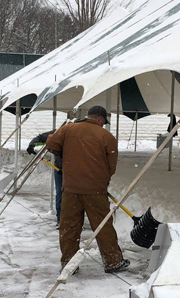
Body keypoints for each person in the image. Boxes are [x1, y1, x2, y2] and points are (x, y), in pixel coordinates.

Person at [46, 106, 129, 274]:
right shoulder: (106, 136)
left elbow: (51, 144)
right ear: (99, 119)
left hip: (70, 188)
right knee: (103, 226)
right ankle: (113, 261)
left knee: (69, 227)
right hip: (95, 190)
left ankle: (69, 263)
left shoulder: (68, 129)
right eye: (103, 122)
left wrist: (67, 153)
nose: (103, 125)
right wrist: (101, 177)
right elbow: (111, 166)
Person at [27, 130, 60, 226]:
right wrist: (32, 145)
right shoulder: (59, 132)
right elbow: (42, 138)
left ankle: (73, 221)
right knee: (61, 195)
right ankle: (61, 220)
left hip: (77, 170)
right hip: (60, 169)